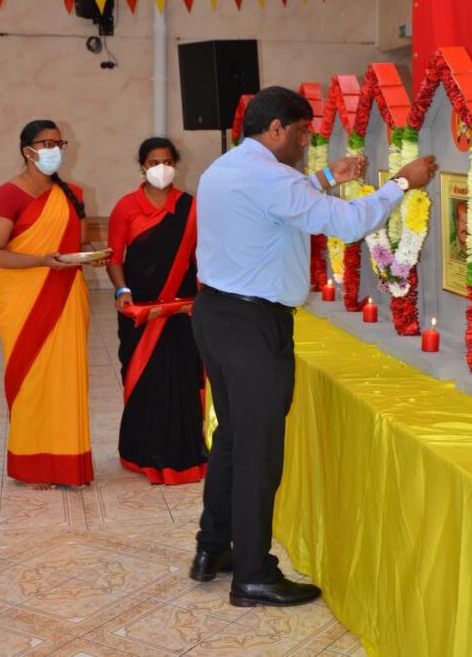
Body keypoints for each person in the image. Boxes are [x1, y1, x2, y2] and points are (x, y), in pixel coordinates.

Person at [190, 86, 437, 608]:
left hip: (216, 314)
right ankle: (252, 575)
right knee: (257, 451)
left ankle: (213, 548)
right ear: (276, 129)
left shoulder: (224, 169)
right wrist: (401, 182)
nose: (306, 143)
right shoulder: (272, 178)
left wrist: (328, 178)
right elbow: (347, 223)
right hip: (252, 326)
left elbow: (280, 203)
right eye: (302, 133)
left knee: (232, 438)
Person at [0, 120, 94, 488]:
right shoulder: (6, 195)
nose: (54, 149)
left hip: (67, 295)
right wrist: (41, 261)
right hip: (25, 299)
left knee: (66, 380)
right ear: (27, 150)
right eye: (46, 143)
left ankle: (66, 462)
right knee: (31, 380)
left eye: (58, 142)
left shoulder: (72, 193)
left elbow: (78, 245)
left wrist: (93, 256)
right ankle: (32, 465)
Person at [107, 137, 207, 485]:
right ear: (142, 167)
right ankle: (141, 453)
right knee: (144, 380)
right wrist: (122, 290)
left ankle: (184, 453)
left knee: (181, 379)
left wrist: (204, 298)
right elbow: (115, 258)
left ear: (176, 165)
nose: (160, 168)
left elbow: (201, 258)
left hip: (182, 311)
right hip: (139, 312)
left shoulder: (191, 207)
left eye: (166, 162)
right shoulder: (126, 207)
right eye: (153, 162)